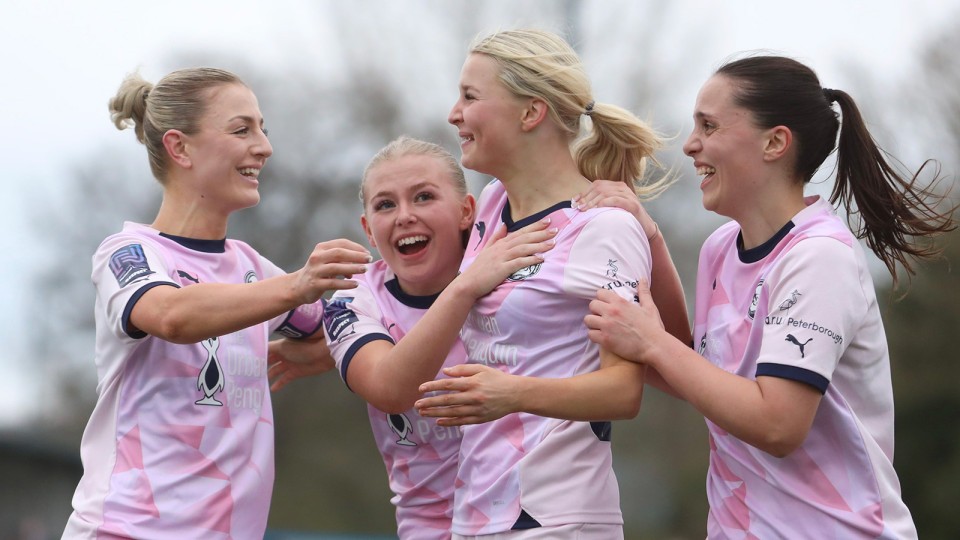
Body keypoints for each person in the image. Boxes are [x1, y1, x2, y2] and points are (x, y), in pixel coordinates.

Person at [585, 55, 956, 538]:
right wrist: (649, 238)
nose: (691, 145)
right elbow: (695, 372)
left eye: (709, 126)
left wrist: (652, 343)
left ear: (775, 142)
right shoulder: (720, 248)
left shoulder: (819, 257)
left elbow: (778, 424)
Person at [63, 67, 372, 539]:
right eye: (241, 129)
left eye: (263, 129)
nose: (264, 147)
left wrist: (331, 348)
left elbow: (357, 335)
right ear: (179, 147)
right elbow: (171, 315)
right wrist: (297, 286)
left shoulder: (254, 269)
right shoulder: (128, 253)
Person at [413, 28, 683, 539]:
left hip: (559, 518)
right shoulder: (491, 205)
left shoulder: (603, 226)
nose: (454, 113)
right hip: (474, 514)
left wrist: (511, 393)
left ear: (530, 112)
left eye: (470, 97)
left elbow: (624, 391)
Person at [267, 135, 557, 539]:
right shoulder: (353, 300)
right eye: (386, 205)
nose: (404, 216)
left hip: (535, 519)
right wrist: (464, 289)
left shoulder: (511, 262)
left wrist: (627, 211)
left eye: (423, 197)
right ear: (369, 229)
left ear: (465, 211)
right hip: (429, 528)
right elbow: (390, 389)